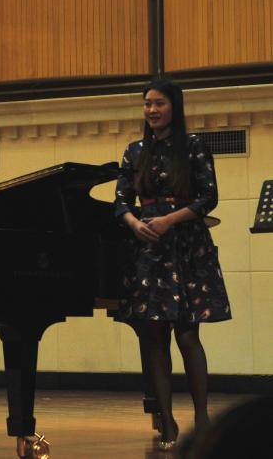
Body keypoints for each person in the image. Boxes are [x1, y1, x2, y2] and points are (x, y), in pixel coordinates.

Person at [114, 80, 231, 451]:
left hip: (186, 246)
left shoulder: (194, 146)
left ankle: (202, 417)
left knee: (187, 334)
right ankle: (166, 421)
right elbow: (120, 202)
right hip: (149, 249)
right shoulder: (134, 151)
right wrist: (134, 223)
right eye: (147, 104)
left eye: (159, 103)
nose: (152, 110)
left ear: (174, 107)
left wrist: (169, 220)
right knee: (154, 337)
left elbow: (208, 198)